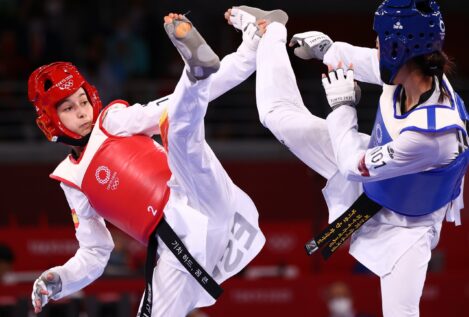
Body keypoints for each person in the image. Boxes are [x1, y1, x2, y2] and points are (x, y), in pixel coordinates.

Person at [27, 9, 288, 316]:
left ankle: (202, 68)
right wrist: (60, 280)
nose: (82, 112)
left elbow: (177, 104)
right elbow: (95, 253)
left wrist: (248, 53)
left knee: (178, 126)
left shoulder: (113, 121)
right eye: (69, 108)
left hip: (197, 195)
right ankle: (196, 74)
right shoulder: (71, 180)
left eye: (83, 101)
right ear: (50, 121)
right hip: (176, 250)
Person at [233, 0, 468, 316]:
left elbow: (352, 167)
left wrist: (343, 105)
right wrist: (330, 51)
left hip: (409, 223)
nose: (376, 44)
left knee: (401, 313)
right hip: (372, 164)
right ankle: (270, 32)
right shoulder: (411, 71)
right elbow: (370, 61)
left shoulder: (431, 136)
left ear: (400, 49)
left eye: (381, 40)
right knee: (277, 115)